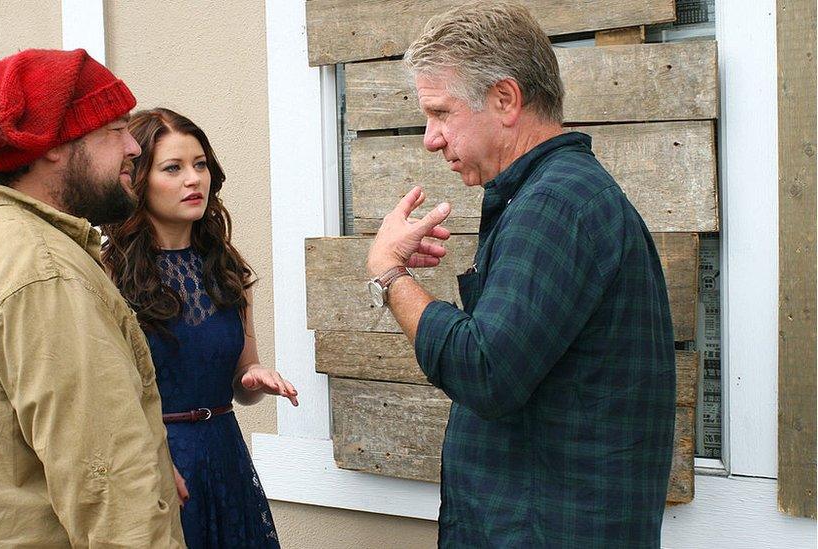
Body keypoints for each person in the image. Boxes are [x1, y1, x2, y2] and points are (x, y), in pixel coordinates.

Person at [364, 2, 676, 546]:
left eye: (441, 113)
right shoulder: (552, 197)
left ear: (505, 99)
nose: (430, 138)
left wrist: (390, 277)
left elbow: (485, 369)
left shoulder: (558, 204)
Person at [0, 49, 185, 548]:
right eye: (114, 129)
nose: (133, 148)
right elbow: (106, 480)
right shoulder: (44, 272)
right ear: (53, 146)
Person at [102, 107, 297, 548]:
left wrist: (254, 377)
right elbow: (100, 397)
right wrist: (146, 464)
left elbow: (242, 386)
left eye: (200, 164)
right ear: (137, 180)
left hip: (224, 455)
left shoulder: (227, 269)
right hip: (155, 463)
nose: (195, 179)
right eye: (173, 168)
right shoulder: (105, 275)